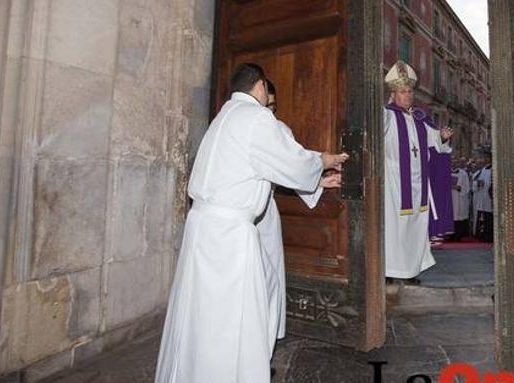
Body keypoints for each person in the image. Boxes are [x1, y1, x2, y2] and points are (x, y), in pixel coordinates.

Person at [155, 63, 347, 383]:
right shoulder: (256, 118)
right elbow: (294, 161)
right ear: (260, 87)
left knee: (201, 312)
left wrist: (315, 180)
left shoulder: (224, 118)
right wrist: (327, 159)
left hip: (202, 228)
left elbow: (261, 167)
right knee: (232, 313)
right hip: (229, 235)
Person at [255, 80, 338, 341]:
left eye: (273, 106)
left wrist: (319, 180)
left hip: (264, 216)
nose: (269, 112)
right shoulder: (242, 127)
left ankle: (264, 341)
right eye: (265, 105)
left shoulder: (279, 129)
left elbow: (291, 165)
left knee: (268, 283)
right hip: (239, 220)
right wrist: (321, 169)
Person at [383, 61, 453, 281]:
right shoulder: (387, 116)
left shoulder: (420, 120)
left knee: (415, 226)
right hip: (394, 182)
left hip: (418, 184)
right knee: (394, 228)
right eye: (403, 92)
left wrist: (442, 136)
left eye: (410, 91)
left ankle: (411, 270)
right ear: (393, 94)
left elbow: (437, 143)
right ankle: (390, 270)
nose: (409, 96)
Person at [471, 149, 493, 242]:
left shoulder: (493, 170)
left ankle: (490, 236)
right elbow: (475, 183)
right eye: (485, 157)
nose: (485, 159)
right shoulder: (482, 170)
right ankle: (481, 235)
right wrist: (478, 184)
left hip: (489, 199)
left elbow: (493, 183)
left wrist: (486, 185)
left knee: (489, 218)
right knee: (481, 218)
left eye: (487, 157)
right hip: (481, 198)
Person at [450, 158, 472, 241]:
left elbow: (467, 187)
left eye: (455, 162)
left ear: (458, 164)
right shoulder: (446, 172)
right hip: (450, 198)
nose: (453, 164)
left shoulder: (463, 174)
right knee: (451, 216)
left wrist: (460, 188)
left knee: (458, 216)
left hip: (459, 198)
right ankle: (450, 235)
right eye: (452, 162)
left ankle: (458, 236)